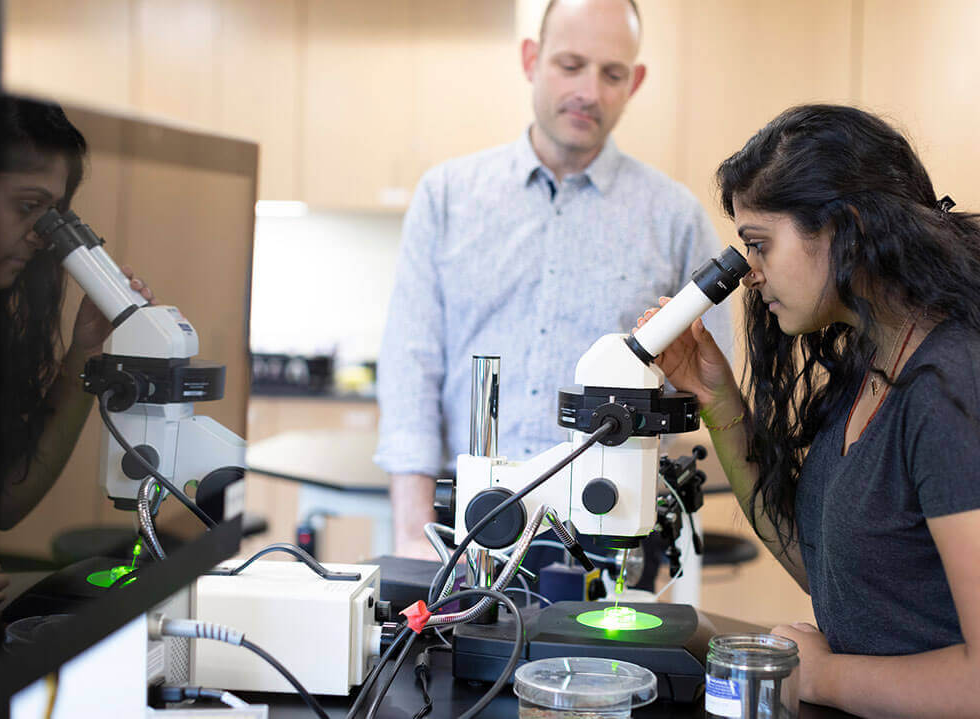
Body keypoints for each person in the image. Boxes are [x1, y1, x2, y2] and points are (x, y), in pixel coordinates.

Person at [637, 104, 980, 715]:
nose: (751, 275)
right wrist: (717, 397)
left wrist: (821, 677)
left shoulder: (949, 391)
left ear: (844, 228)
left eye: (760, 245)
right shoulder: (872, 364)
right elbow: (835, 574)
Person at [376, 0, 732, 560]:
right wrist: (410, 533)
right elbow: (410, 367)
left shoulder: (675, 218)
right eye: (570, 65)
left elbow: (710, 387)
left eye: (611, 73)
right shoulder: (447, 197)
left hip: (609, 535)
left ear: (634, 82)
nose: (589, 91)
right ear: (531, 60)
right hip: (459, 529)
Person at [0, 96, 153, 610]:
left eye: (51, 214)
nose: (39, 235)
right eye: (27, 206)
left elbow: (6, 500)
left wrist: (85, 353)